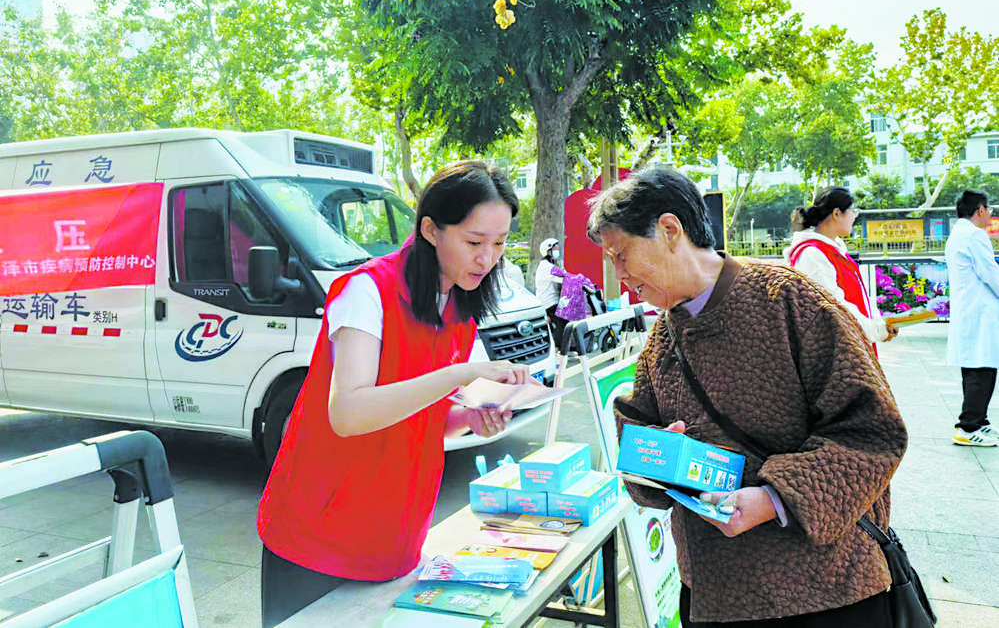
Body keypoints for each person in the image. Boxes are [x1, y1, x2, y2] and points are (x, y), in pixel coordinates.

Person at [587, 167, 907, 627]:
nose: (618, 277)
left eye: (622, 256)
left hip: (824, 594)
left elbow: (874, 433)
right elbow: (636, 431)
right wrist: (659, 455)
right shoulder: (662, 337)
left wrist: (775, 498)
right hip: (711, 592)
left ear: (670, 230)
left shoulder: (794, 301)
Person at [256, 161, 532, 627]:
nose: (488, 259)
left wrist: (468, 418)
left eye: (500, 244)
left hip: (396, 538)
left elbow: (417, 417)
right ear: (429, 229)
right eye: (474, 242)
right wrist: (460, 375)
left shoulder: (459, 306)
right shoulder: (366, 292)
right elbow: (350, 412)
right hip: (320, 536)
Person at [785, 187, 898, 347]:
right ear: (837, 214)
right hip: (834, 349)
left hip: (852, 343)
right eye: (853, 211)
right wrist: (877, 331)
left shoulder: (834, 249)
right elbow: (835, 306)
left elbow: (860, 297)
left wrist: (880, 325)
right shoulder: (812, 254)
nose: (854, 217)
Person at [945, 189, 999, 447]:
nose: (990, 214)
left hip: (971, 312)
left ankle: (980, 422)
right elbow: (991, 274)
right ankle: (968, 427)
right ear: (979, 210)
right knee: (982, 369)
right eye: (988, 209)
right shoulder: (975, 236)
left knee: (977, 367)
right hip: (980, 313)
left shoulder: (958, 234)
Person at [535, 238, 568, 351]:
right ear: (547, 251)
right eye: (555, 249)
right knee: (562, 323)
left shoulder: (551, 265)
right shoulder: (547, 266)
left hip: (552, 301)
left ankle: (557, 346)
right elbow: (563, 277)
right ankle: (557, 349)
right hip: (548, 302)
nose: (558, 251)